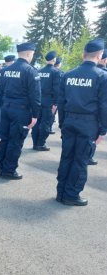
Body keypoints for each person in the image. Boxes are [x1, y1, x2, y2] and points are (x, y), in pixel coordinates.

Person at [56, 38, 107, 206]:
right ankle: (71, 195)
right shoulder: (102, 76)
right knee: (80, 160)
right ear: (99, 55)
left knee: (66, 157)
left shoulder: (68, 74)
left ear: (83, 54)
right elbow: (103, 105)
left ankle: (61, 192)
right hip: (88, 124)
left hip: (69, 120)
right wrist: (103, 129)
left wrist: (62, 123)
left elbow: (61, 103)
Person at [0, 42, 41, 180]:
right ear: (28, 53)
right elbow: (35, 96)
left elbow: (0, 91)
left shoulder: (5, 70)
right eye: (32, 54)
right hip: (20, 111)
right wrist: (35, 115)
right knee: (15, 141)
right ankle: (9, 170)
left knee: (5, 139)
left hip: (5, 108)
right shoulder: (30, 71)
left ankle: (1, 167)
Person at [31, 50, 60, 151]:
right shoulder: (56, 72)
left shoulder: (39, 71)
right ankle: (40, 144)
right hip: (49, 101)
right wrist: (56, 103)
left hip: (39, 99)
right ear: (54, 59)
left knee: (37, 122)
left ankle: (35, 143)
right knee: (46, 123)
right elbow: (56, 89)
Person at [88, 49, 107, 166]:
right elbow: (104, 104)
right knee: (93, 139)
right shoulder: (103, 75)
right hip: (96, 116)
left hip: (77, 116)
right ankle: (89, 156)